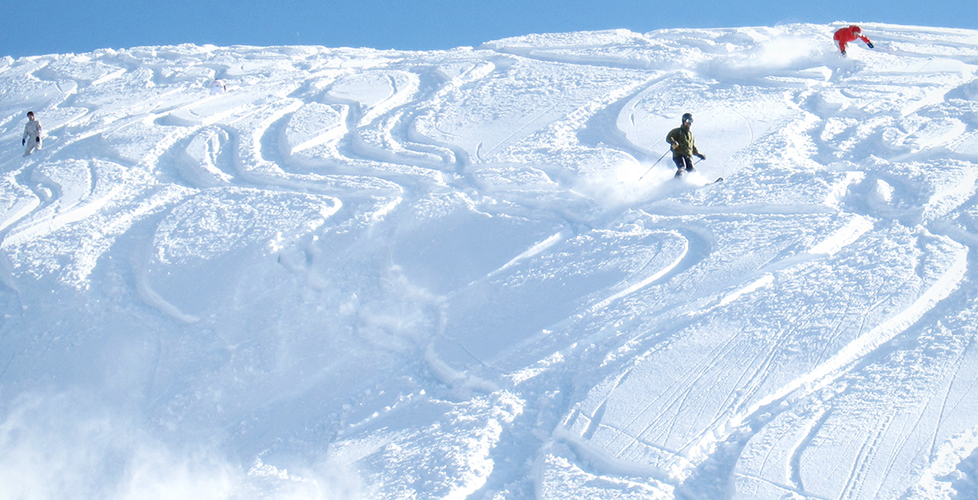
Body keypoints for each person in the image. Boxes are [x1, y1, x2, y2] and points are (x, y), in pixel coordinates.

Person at [666, 113, 705, 177]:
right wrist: (673, 142)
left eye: (691, 121)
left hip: (688, 155)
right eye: (688, 121)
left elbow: (693, 147)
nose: (689, 123)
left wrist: (699, 155)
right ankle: (675, 182)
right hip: (678, 154)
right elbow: (669, 137)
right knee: (682, 167)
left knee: (691, 170)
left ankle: (694, 184)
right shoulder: (678, 131)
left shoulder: (690, 135)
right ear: (683, 121)